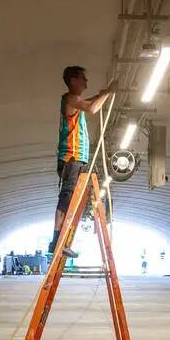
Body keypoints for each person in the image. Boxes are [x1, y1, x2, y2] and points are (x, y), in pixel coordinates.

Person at [51, 66, 116, 258]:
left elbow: (87, 103)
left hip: (76, 159)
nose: (86, 83)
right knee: (66, 198)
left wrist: (101, 94)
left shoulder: (73, 100)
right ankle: (57, 242)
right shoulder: (69, 98)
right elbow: (92, 108)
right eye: (83, 79)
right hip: (71, 158)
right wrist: (108, 92)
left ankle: (62, 241)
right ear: (73, 80)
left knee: (71, 200)